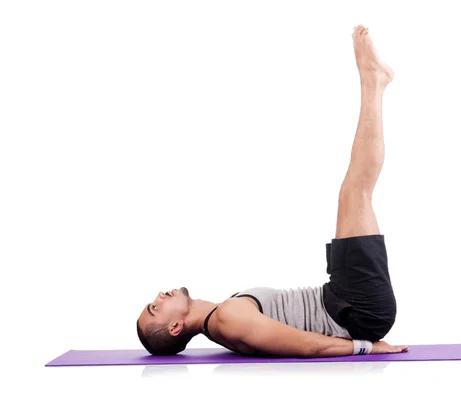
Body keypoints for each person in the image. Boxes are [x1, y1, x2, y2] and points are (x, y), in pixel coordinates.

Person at [136, 25, 409, 358]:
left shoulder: (225, 318)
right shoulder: (228, 320)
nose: (159, 296)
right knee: (356, 191)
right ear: (175, 327)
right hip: (356, 310)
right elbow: (308, 345)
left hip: (345, 301)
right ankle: (373, 81)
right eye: (155, 308)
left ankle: (374, 82)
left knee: (354, 191)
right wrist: (367, 347)